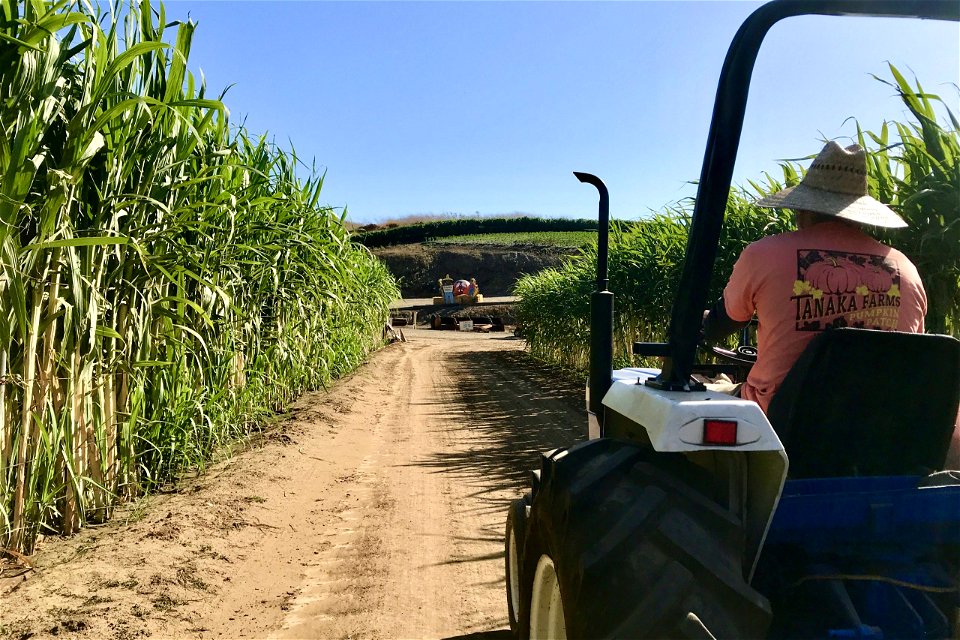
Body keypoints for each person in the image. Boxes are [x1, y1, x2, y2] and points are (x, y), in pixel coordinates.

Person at [702, 141, 927, 414]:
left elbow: (720, 325)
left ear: (802, 209)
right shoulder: (906, 269)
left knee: (704, 391)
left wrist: (698, 322)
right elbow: (911, 357)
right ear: (860, 217)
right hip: (878, 429)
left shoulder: (763, 254)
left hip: (780, 423)